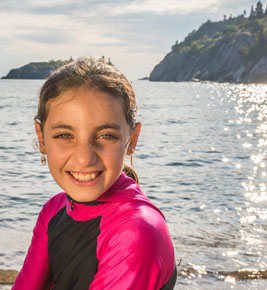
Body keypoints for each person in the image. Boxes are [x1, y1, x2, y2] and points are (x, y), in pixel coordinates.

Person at [12, 58, 176, 289]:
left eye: (106, 135)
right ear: (41, 138)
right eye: (64, 135)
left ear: (132, 139)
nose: (85, 158)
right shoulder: (55, 210)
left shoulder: (136, 232)